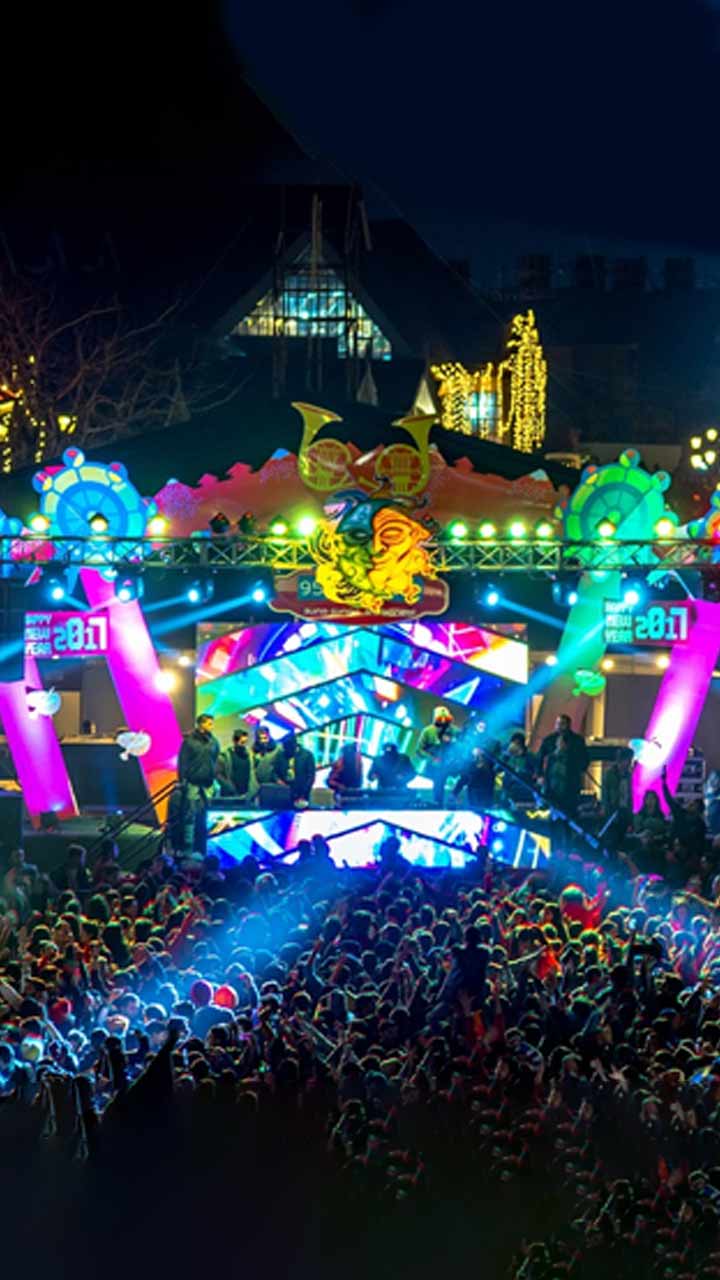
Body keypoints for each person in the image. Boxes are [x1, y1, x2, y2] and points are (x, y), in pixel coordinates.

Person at [175, 713, 220, 855]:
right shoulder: (189, 742)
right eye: (209, 723)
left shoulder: (214, 741)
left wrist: (213, 775)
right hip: (193, 782)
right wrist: (182, 780)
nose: (211, 726)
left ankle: (202, 845)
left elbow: (215, 759)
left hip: (208, 783)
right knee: (190, 814)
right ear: (201, 724)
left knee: (205, 814)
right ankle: (188, 846)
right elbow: (182, 762)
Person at [538, 713, 589, 815]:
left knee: (570, 811)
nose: (559, 727)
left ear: (568, 725)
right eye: (557, 724)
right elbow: (539, 757)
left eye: (562, 724)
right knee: (553, 810)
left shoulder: (577, 740)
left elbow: (584, 759)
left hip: (570, 782)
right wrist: (540, 775)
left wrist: (568, 751)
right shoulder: (549, 740)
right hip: (552, 782)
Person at [417, 706, 460, 803]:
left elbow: (463, 745)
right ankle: (438, 803)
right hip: (436, 766)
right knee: (438, 784)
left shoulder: (455, 731)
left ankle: (453, 799)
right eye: (440, 718)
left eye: (446, 718)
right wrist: (432, 758)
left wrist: (452, 742)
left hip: (452, 764)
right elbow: (420, 750)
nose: (443, 721)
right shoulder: (428, 731)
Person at [216, 728, 258, 804]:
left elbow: (252, 773)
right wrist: (229, 787)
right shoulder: (225, 756)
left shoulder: (249, 755)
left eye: (245, 742)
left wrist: (253, 789)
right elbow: (218, 774)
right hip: (229, 795)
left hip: (246, 795)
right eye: (242, 742)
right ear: (235, 741)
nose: (244, 745)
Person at [275, 734, 316, 807]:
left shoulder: (307, 755)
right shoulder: (281, 755)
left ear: (294, 746)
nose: (285, 749)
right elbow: (275, 772)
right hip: (284, 792)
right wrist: (278, 780)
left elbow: (310, 776)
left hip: (301, 794)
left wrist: (303, 794)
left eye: (287, 748)